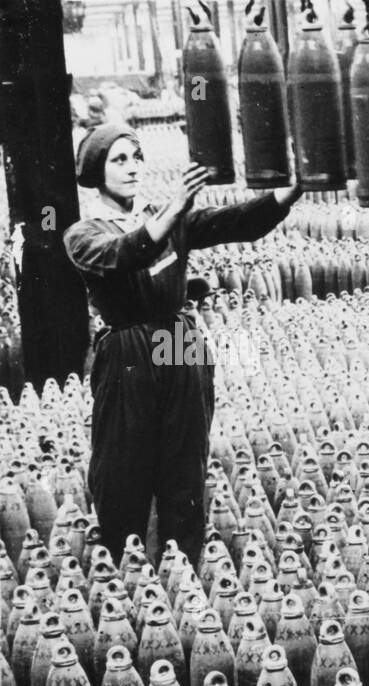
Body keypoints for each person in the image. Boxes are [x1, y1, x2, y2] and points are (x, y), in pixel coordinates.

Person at [63, 124, 302, 569]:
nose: (133, 167)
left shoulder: (167, 219)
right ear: (97, 171)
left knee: (185, 458)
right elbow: (125, 253)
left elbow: (234, 222)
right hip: (127, 349)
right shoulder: (83, 234)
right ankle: (125, 568)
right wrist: (173, 210)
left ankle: (183, 570)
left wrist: (291, 193)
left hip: (179, 340)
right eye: (119, 159)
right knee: (123, 465)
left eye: (136, 157)